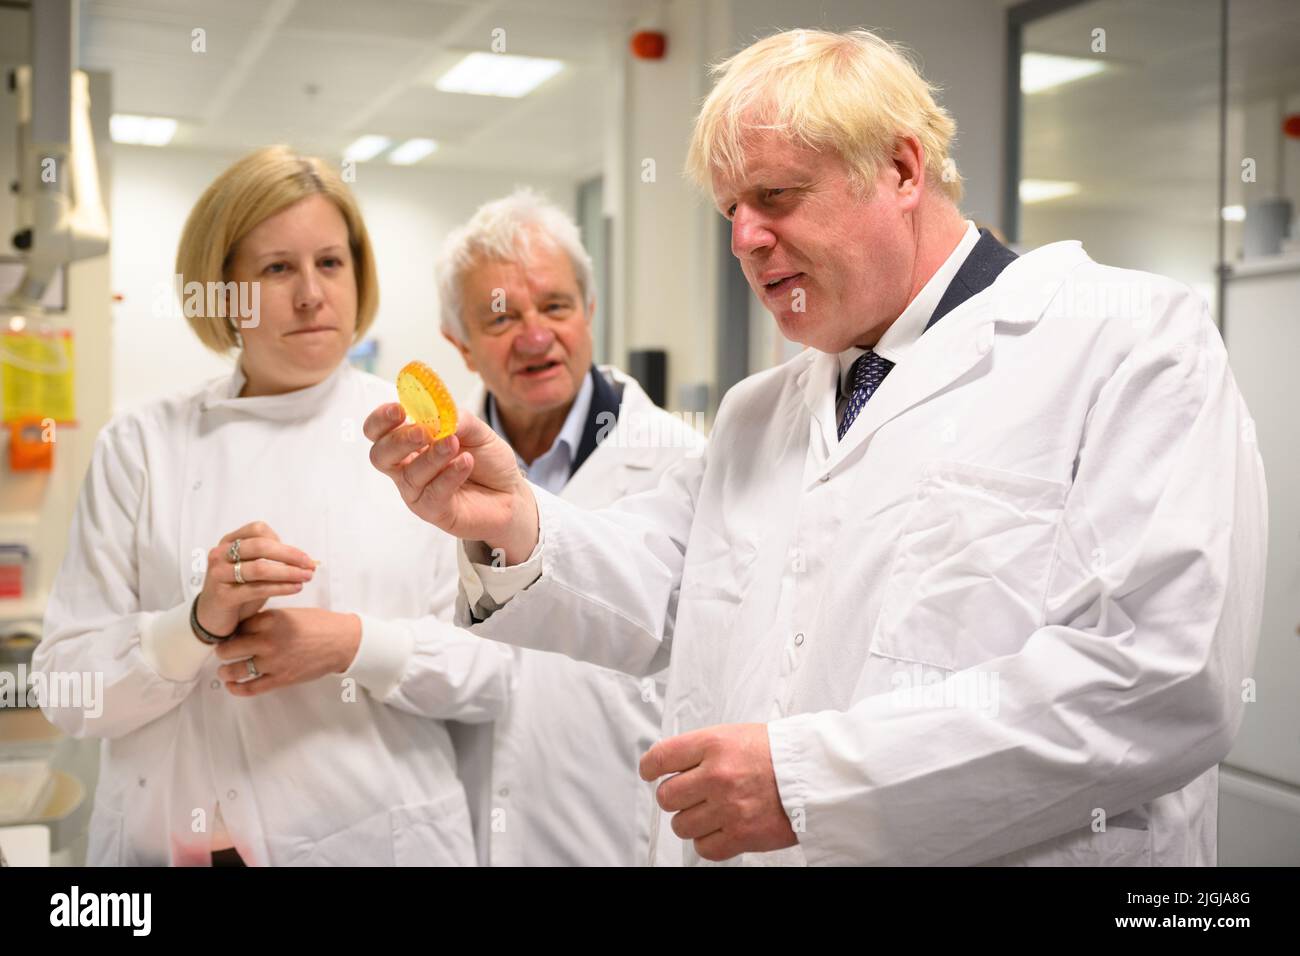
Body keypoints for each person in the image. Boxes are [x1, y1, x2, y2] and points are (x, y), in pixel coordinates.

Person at [364, 29, 1267, 866]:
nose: (744, 239)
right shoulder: (764, 409)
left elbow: (1159, 684)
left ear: (902, 169)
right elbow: (662, 584)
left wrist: (810, 784)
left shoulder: (1126, 340)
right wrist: (513, 519)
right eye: (730, 210)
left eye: (776, 196)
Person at [35, 146, 512, 866]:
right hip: (163, 851)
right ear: (221, 289)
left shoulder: (419, 438)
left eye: (330, 262)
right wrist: (193, 625)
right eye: (276, 268)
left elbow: (494, 674)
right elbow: (67, 691)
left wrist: (350, 643)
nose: (312, 294)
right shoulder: (143, 444)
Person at [436, 188, 704, 865]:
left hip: (619, 837)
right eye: (499, 319)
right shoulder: (429, 480)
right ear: (460, 346)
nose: (534, 337)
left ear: (589, 310)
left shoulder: (682, 467)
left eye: (555, 306)